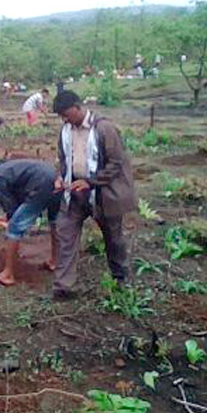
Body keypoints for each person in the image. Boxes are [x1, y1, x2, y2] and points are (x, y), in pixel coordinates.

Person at [51, 91, 138, 300]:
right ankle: (64, 287)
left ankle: (120, 281)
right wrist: (60, 177)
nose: (64, 119)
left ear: (77, 106)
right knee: (65, 236)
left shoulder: (104, 128)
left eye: (66, 114)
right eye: (61, 116)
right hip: (74, 192)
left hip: (103, 193)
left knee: (113, 238)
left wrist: (90, 182)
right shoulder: (65, 130)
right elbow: (63, 159)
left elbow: (116, 164)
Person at [0, 158, 60, 287]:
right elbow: (17, 199)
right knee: (54, 221)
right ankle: (55, 261)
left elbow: (12, 209)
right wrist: (8, 216)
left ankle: (7, 275)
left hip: (40, 184)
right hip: (54, 178)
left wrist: (11, 220)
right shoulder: (4, 169)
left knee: (13, 230)